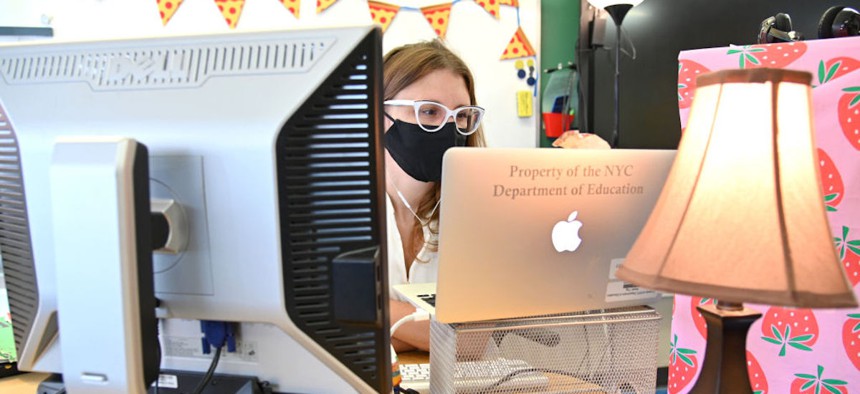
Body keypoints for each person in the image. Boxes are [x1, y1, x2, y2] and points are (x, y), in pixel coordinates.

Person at [383, 40, 486, 353]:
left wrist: (369, 314)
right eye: (429, 111)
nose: (448, 127)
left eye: (461, 115)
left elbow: (470, 340)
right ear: (377, 112)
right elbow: (321, 325)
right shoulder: (331, 206)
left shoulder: (482, 211)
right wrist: (433, 332)